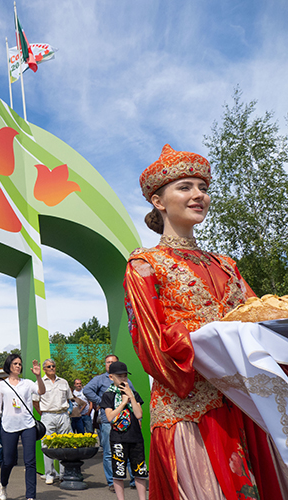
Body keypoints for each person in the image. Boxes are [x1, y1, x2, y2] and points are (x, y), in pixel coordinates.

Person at [125, 144, 286, 500]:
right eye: (185, 187)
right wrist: (215, 339)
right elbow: (152, 348)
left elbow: (260, 319)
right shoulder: (145, 265)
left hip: (246, 404)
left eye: (204, 188)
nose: (199, 195)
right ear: (158, 200)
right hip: (193, 411)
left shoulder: (226, 264)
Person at [0, 354, 45, 500]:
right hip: (8, 426)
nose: (18, 366)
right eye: (15, 363)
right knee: (8, 461)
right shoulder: (1, 385)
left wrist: (39, 377)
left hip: (28, 425)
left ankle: (30, 496)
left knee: (30, 461)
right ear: (9, 366)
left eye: (20, 364)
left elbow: (41, 391)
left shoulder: (27, 383)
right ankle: (3, 484)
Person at [84, 354, 136, 490]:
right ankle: (112, 482)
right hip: (109, 421)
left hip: (126, 420)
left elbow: (134, 396)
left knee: (129, 451)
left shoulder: (126, 380)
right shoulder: (99, 379)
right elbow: (86, 390)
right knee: (109, 452)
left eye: (113, 362)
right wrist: (101, 401)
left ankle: (134, 480)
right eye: (108, 362)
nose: (110, 364)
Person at [100, 361, 148, 500]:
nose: (123, 379)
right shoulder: (108, 395)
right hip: (118, 438)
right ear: (111, 377)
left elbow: (139, 414)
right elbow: (110, 417)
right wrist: (122, 403)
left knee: (140, 471)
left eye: (125, 376)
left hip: (135, 437)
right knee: (119, 472)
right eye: (119, 376)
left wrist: (131, 397)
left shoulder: (134, 394)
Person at [36, 358, 72, 485]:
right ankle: (49, 474)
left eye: (53, 366)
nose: (52, 368)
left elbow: (69, 398)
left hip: (63, 414)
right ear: (44, 369)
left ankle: (63, 474)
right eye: (49, 366)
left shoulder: (63, 382)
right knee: (47, 445)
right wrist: (43, 413)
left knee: (65, 444)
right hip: (48, 415)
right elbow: (35, 401)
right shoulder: (40, 382)